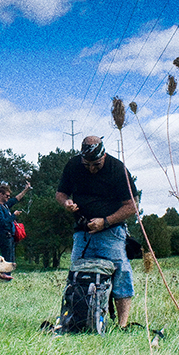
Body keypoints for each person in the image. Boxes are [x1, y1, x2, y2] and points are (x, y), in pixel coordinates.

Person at [56, 135, 138, 328]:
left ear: (104, 154)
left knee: (121, 273)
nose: (92, 169)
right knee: (77, 274)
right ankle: (75, 319)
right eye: (88, 165)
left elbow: (132, 205)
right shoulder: (73, 165)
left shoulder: (117, 169)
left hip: (111, 232)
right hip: (82, 232)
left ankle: (122, 324)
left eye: (97, 164)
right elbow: (61, 193)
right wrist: (66, 203)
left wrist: (106, 221)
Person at [0, 181, 32, 265]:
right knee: (7, 262)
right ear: (1, 194)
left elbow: (16, 199)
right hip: (4, 237)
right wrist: (13, 215)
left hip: (10, 237)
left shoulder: (5, 205)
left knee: (11, 260)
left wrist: (25, 190)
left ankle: (8, 277)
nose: (8, 198)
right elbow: (2, 222)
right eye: (7, 196)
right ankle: (6, 277)